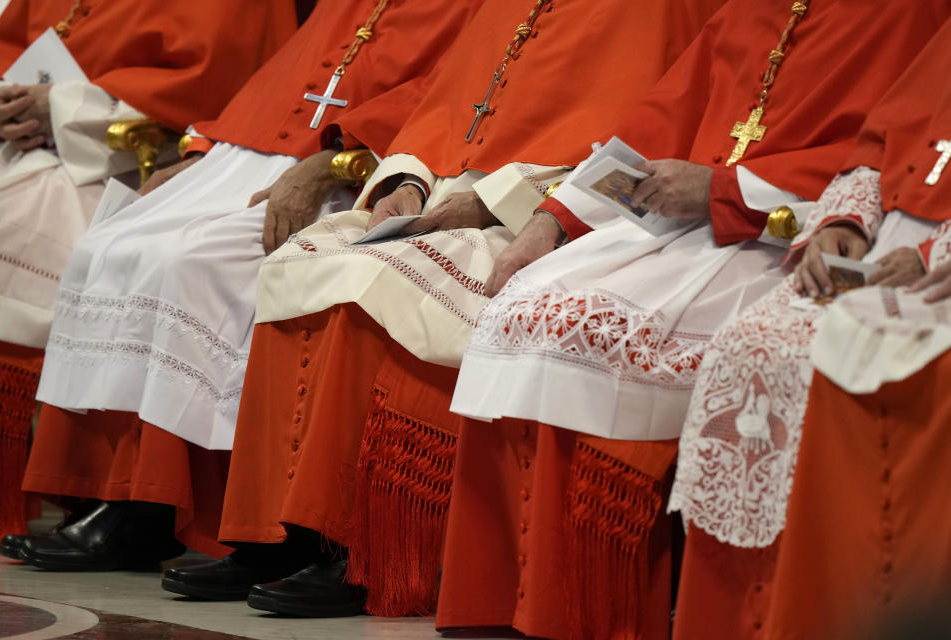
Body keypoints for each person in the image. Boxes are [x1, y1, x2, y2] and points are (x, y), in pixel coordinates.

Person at [316, 1, 948, 637]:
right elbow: (656, 122)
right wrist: (550, 222)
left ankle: (594, 604)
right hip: (679, 223)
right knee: (527, 298)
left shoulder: (909, 15)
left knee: (596, 329)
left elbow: (873, 154)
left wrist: (724, 189)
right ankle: (504, 598)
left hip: (767, 229)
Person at [213, 0, 724, 623]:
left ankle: (348, 544)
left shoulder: (656, 13)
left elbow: (631, 146)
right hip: (441, 198)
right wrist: (409, 182)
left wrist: (491, 203)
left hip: (527, 215)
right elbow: (442, 116)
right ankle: (270, 535)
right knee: (302, 259)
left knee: (367, 282)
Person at [10, 0, 483, 580]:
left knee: (190, 264)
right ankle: (112, 491)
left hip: (338, 165)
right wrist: (203, 151)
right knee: (107, 245)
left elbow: (441, 98)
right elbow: (285, 80)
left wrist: (333, 160)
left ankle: (159, 506)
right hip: (249, 157)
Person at [668, 20, 951, 638]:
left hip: (940, 277)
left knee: (859, 363)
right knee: (751, 346)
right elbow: (878, 148)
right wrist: (841, 222)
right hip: (881, 249)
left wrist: (935, 258)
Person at [0, 0, 296, 546]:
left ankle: (133, 494)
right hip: (30, 147)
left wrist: (62, 106)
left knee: (120, 249)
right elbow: (8, 47)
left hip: (125, 156)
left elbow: (217, 84)